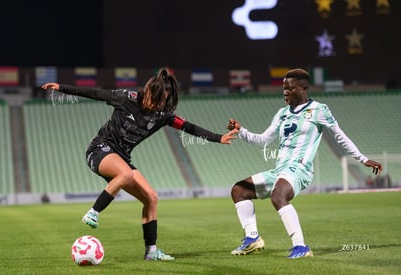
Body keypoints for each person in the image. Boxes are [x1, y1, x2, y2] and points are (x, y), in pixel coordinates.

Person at [42, 68, 236, 261]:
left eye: (163, 101)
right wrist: (61, 87)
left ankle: (151, 251)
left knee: (151, 197)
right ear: (148, 90)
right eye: (157, 98)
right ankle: (93, 212)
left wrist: (218, 138)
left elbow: (189, 127)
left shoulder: (163, 115)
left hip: (122, 158)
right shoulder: (127, 98)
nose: (158, 104)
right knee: (125, 174)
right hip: (100, 149)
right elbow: (95, 93)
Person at [226, 68, 382, 258]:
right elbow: (263, 140)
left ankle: (301, 247)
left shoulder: (319, 110)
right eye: (283, 88)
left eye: (289, 88)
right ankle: (252, 238)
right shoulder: (282, 113)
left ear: (303, 88)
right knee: (239, 190)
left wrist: (363, 159)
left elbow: (340, 137)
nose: (285, 92)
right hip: (280, 170)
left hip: (300, 169)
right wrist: (241, 131)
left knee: (278, 195)